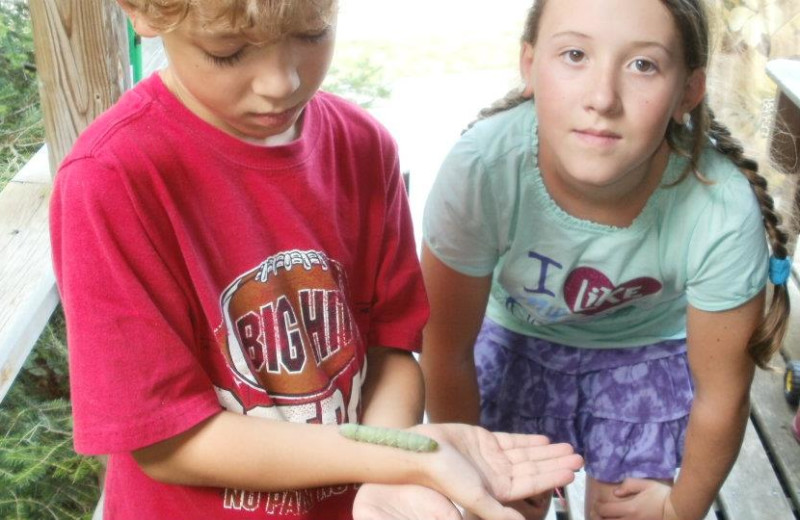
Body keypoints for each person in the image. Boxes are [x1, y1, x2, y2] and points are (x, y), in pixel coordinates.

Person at [49, 1, 584, 519]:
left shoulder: (362, 146)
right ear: (143, 10)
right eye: (228, 51)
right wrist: (390, 456)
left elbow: (389, 349)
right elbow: (165, 442)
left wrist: (391, 469)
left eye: (311, 33)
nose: (280, 82)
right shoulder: (110, 181)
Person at [420, 0, 792, 519]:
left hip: (645, 354)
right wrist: (473, 484)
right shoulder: (483, 169)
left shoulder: (720, 207)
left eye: (643, 65)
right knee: (504, 508)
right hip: (514, 346)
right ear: (529, 65)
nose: (602, 98)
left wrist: (680, 509)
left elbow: (722, 395)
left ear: (688, 89)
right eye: (575, 54)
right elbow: (444, 349)